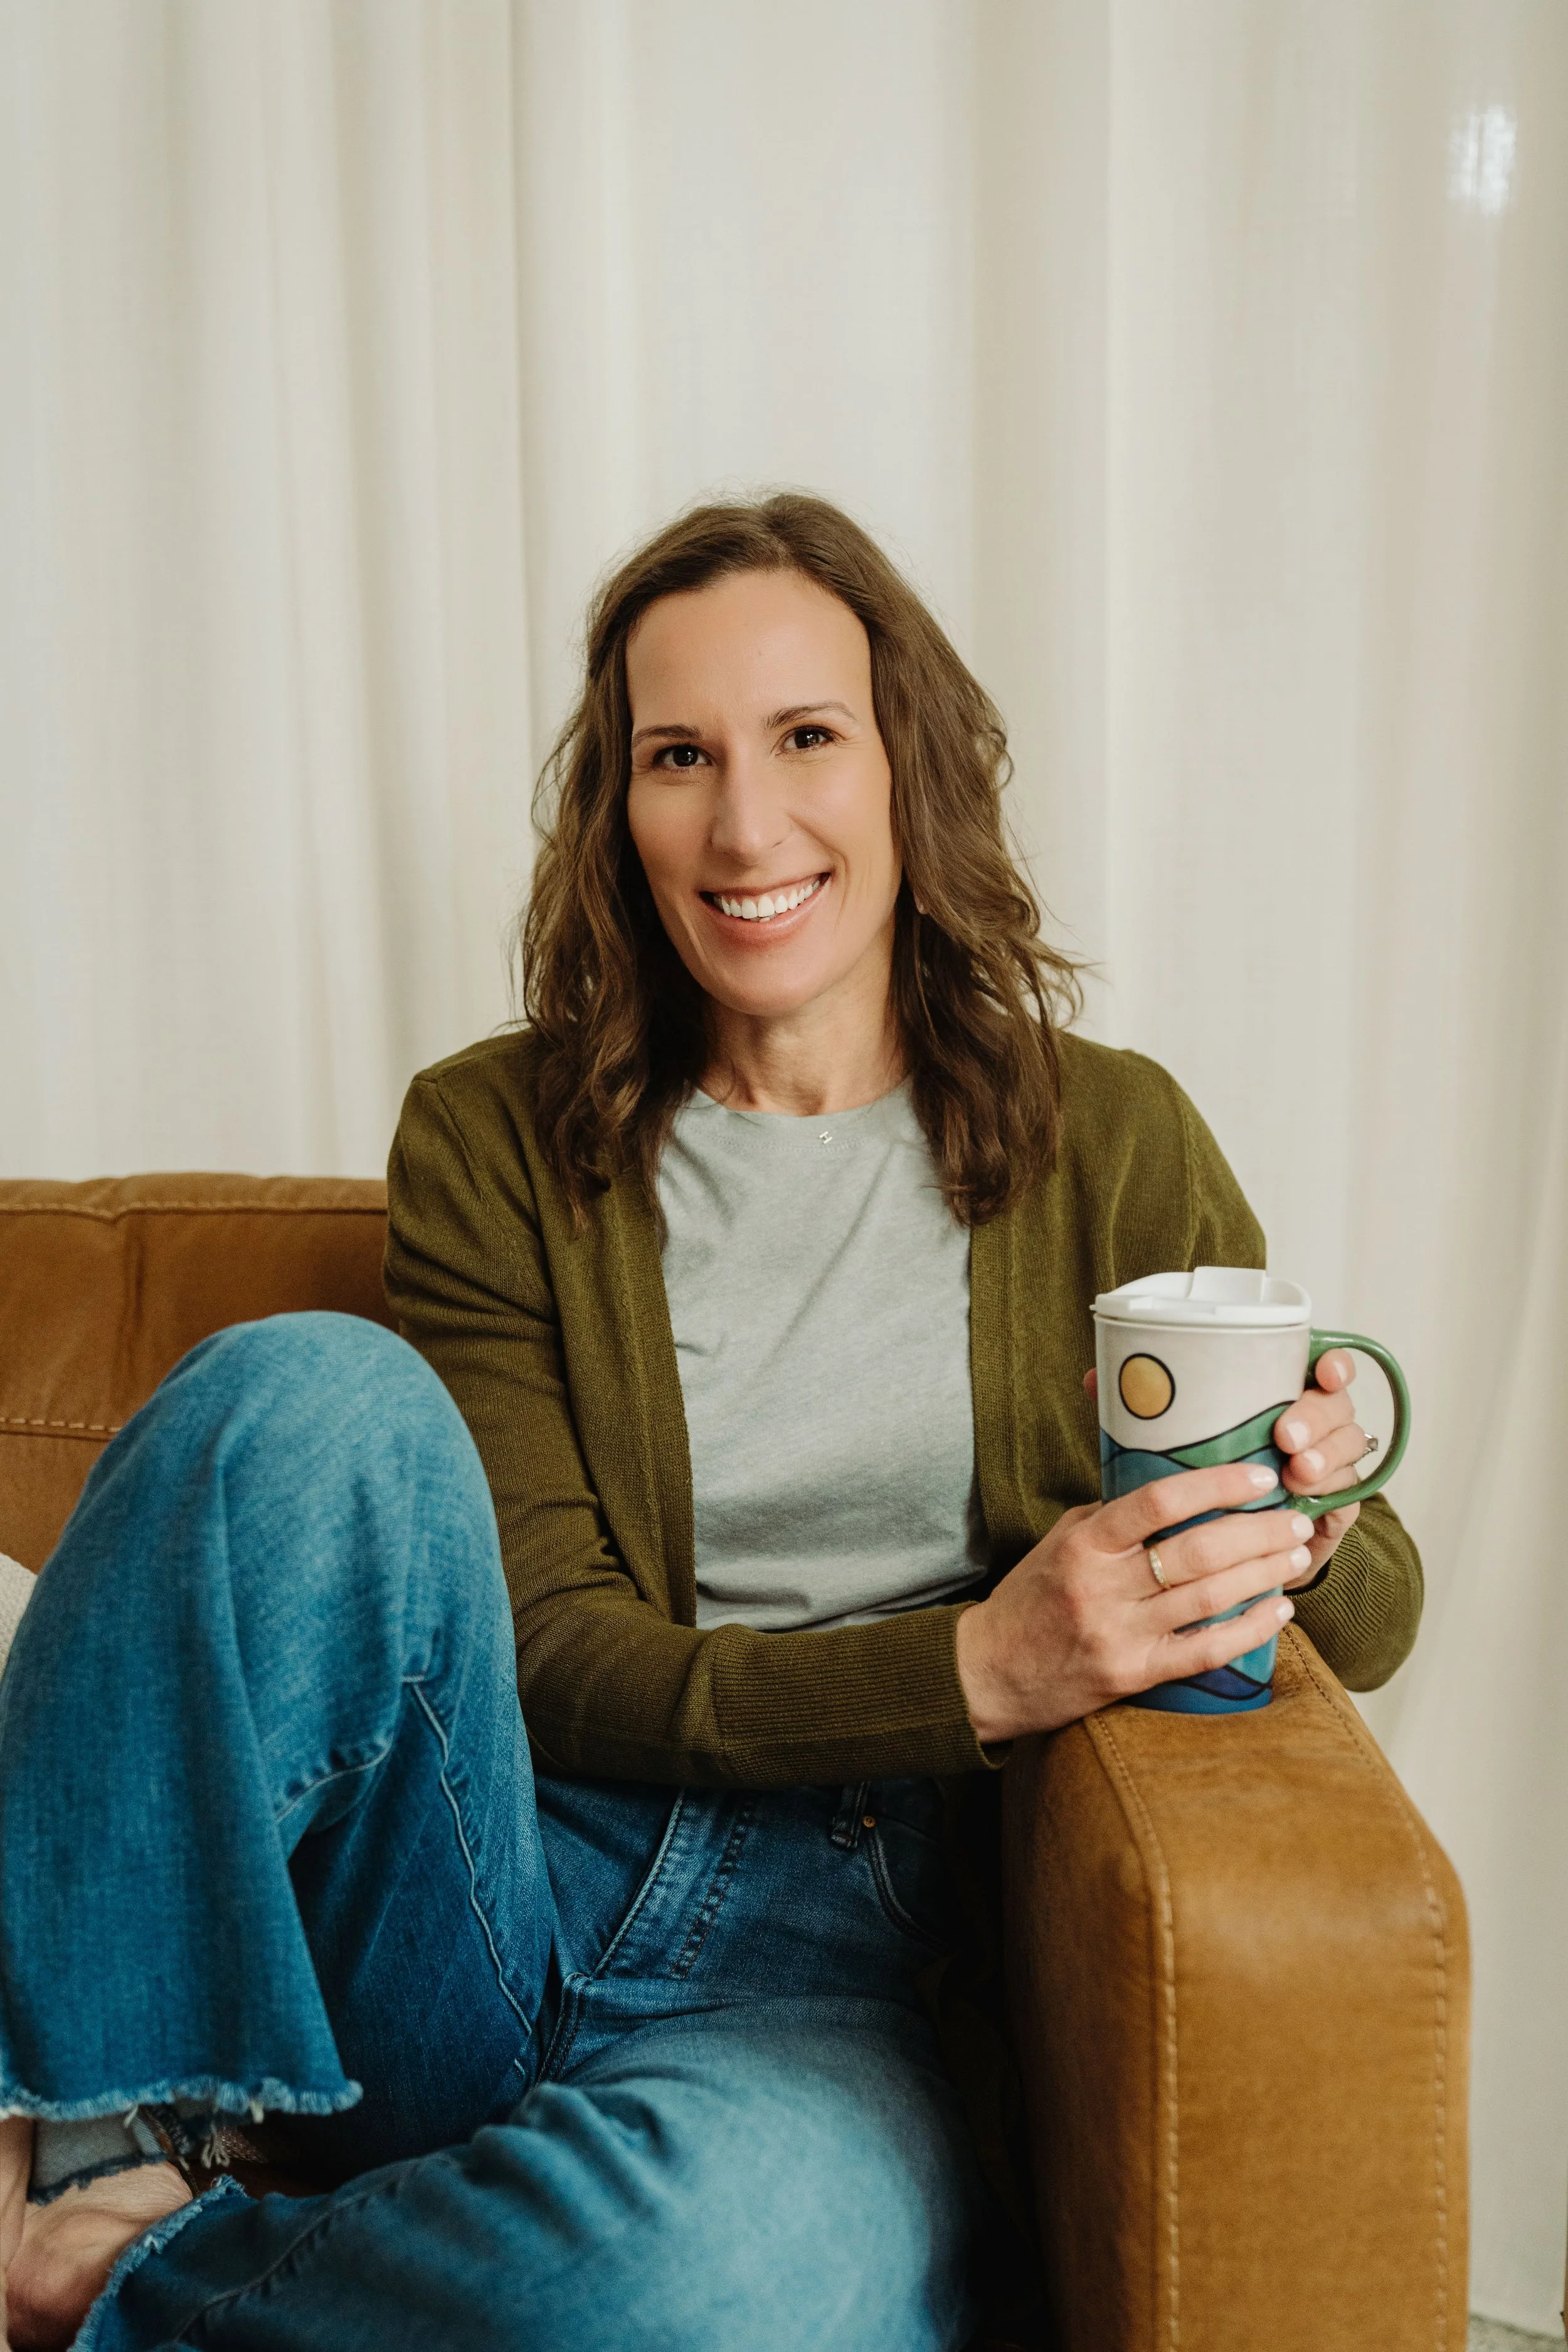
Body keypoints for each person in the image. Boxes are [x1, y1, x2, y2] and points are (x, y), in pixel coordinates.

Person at [0, 495, 1421, 2352]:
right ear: (621, 809)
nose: (746, 826)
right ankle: (84, 2138)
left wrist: (1310, 1477)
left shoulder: (1108, 1136)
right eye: (680, 757)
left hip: (832, 1980)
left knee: (714, 2276)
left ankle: (117, 2282)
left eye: (805, 739)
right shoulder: (493, 1137)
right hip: (488, 1874)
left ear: (906, 764)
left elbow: (1370, 1613)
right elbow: (555, 1653)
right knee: (303, 1389)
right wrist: (979, 1663)